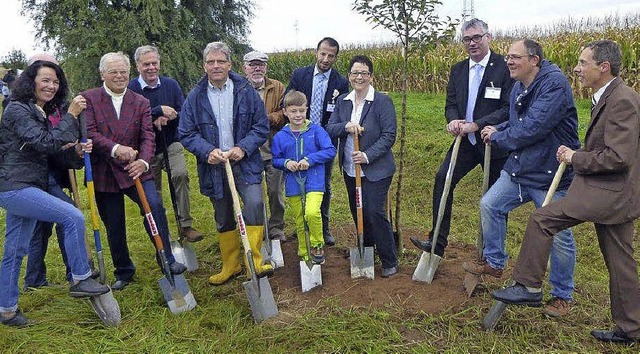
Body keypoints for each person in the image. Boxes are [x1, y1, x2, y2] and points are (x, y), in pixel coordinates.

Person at [492, 40, 640, 344]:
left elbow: (617, 157)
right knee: (620, 262)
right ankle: (631, 329)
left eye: (583, 63)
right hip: (618, 194)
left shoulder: (622, 100)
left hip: (609, 193)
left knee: (542, 219)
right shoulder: (609, 96)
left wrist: (576, 157)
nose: (576, 68)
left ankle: (529, 287)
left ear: (604, 67)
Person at [463, 39, 580, 317]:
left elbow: (532, 128)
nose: (509, 62)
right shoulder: (519, 85)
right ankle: (494, 261)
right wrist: (498, 126)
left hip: (550, 173)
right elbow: (518, 123)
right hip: (522, 169)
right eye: (508, 57)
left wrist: (500, 137)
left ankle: (562, 294)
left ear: (534, 60)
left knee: (559, 234)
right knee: (490, 204)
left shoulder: (554, 86)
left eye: (515, 57)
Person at [0, 60, 110, 327]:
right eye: (45, 80)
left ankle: (7, 309)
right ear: (31, 81)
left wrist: (74, 152)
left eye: (56, 82)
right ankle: (81, 277)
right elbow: (47, 142)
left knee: (15, 250)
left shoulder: (36, 111)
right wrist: (71, 115)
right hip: (15, 186)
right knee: (73, 217)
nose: (51, 86)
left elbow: (48, 150)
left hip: (27, 185)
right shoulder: (16, 109)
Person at [82, 52, 186, 292]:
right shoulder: (89, 99)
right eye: (113, 72)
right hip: (105, 170)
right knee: (114, 222)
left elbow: (148, 137)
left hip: (136, 169)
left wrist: (144, 162)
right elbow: (91, 133)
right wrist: (116, 149)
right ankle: (123, 270)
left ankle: (167, 258)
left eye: (123, 72)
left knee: (155, 207)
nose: (119, 76)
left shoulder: (140, 102)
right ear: (102, 74)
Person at [410, 18, 513, 257]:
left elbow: (508, 108)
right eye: (467, 39)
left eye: (477, 37)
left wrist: (478, 124)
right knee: (442, 179)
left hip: (493, 143)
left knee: (494, 198)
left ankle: (491, 253)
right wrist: (453, 120)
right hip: (465, 142)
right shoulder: (458, 70)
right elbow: (451, 103)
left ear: (488, 37)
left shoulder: (503, 67)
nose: (472, 43)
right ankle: (437, 242)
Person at [179, 42, 273, 285]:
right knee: (222, 214)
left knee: (254, 203)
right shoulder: (195, 96)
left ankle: (255, 260)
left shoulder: (245, 91)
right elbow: (186, 132)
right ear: (204, 66)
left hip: (244, 161)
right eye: (211, 62)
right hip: (214, 166)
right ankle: (231, 264)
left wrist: (243, 148)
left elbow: (261, 126)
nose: (216, 66)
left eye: (221, 61)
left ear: (230, 65)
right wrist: (207, 151)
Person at [325, 55, 399, 278]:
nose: (359, 77)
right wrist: (346, 127)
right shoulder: (343, 102)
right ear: (349, 77)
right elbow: (330, 128)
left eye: (364, 73)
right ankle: (366, 252)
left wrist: (367, 156)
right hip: (350, 169)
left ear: (371, 76)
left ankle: (389, 259)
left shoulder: (382, 101)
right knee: (359, 212)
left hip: (376, 169)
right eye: (355, 73)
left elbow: (389, 136)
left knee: (375, 212)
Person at [128, 45, 203, 242]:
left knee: (180, 175)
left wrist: (169, 117)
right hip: (146, 147)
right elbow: (131, 120)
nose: (151, 68)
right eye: (146, 64)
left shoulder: (171, 85)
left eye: (154, 63)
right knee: (155, 191)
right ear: (138, 67)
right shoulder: (131, 90)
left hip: (170, 141)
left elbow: (183, 112)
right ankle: (162, 231)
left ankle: (185, 225)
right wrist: (156, 112)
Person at [23, 53, 85, 289]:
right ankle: (42, 279)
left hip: (58, 171)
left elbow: (65, 136)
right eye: (44, 75)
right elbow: (46, 142)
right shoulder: (22, 106)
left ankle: (67, 273)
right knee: (49, 223)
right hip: (35, 176)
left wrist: (75, 147)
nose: (51, 83)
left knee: (58, 222)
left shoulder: (56, 104)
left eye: (55, 74)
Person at [284, 37, 349, 246]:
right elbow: (287, 100)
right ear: (316, 52)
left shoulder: (340, 82)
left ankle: (323, 226)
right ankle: (303, 225)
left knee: (323, 183)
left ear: (336, 57)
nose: (326, 59)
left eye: (331, 55)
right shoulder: (300, 75)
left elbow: (342, 112)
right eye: (323, 53)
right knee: (299, 181)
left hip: (325, 141)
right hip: (299, 138)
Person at [272, 90, 336, 264]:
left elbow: (330, 150)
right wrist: (286, 163)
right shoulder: (280, 137)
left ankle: (317, 244)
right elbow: (275, 159)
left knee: (312, 212)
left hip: (314, 180)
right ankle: (304, 249)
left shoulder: (316, 130)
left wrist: (311, 159)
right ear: (285, 112)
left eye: (301, 110)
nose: (298, 115)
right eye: (293, 111)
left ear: (306, 109)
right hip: (293, 183)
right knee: (300, 218)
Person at [242, 50, 287, 242]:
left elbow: (284, 113)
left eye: (260, 64)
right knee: (254, 195)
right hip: (249, 150)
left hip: (273, 147)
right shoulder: (239, 88)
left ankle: (276, 226)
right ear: (245, 68)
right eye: (252, 64)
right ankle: (258, 227)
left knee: (275, 191)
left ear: (266, 67)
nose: (257, 68)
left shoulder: (277, 87)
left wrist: (266, 119)